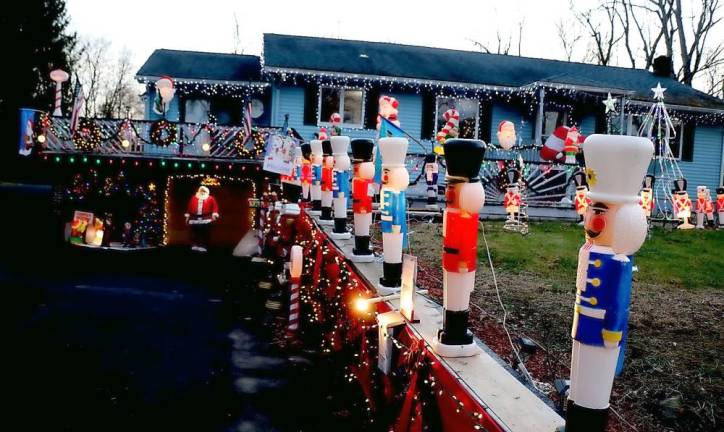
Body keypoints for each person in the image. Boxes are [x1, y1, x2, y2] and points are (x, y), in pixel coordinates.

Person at [185, 185, 219, 252]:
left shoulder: (210, 198)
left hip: (206, 218)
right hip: (194, 218)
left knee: (204, 233)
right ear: (199, 191)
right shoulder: (194, 198)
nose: (202, 192)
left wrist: (214, 215)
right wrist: (187, 217)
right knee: (195, 233)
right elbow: (189, 208)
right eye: (201, 191)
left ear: (206, 192)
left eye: (204, 191)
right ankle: (195, 245)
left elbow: (215, 207)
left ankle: (203, 246)